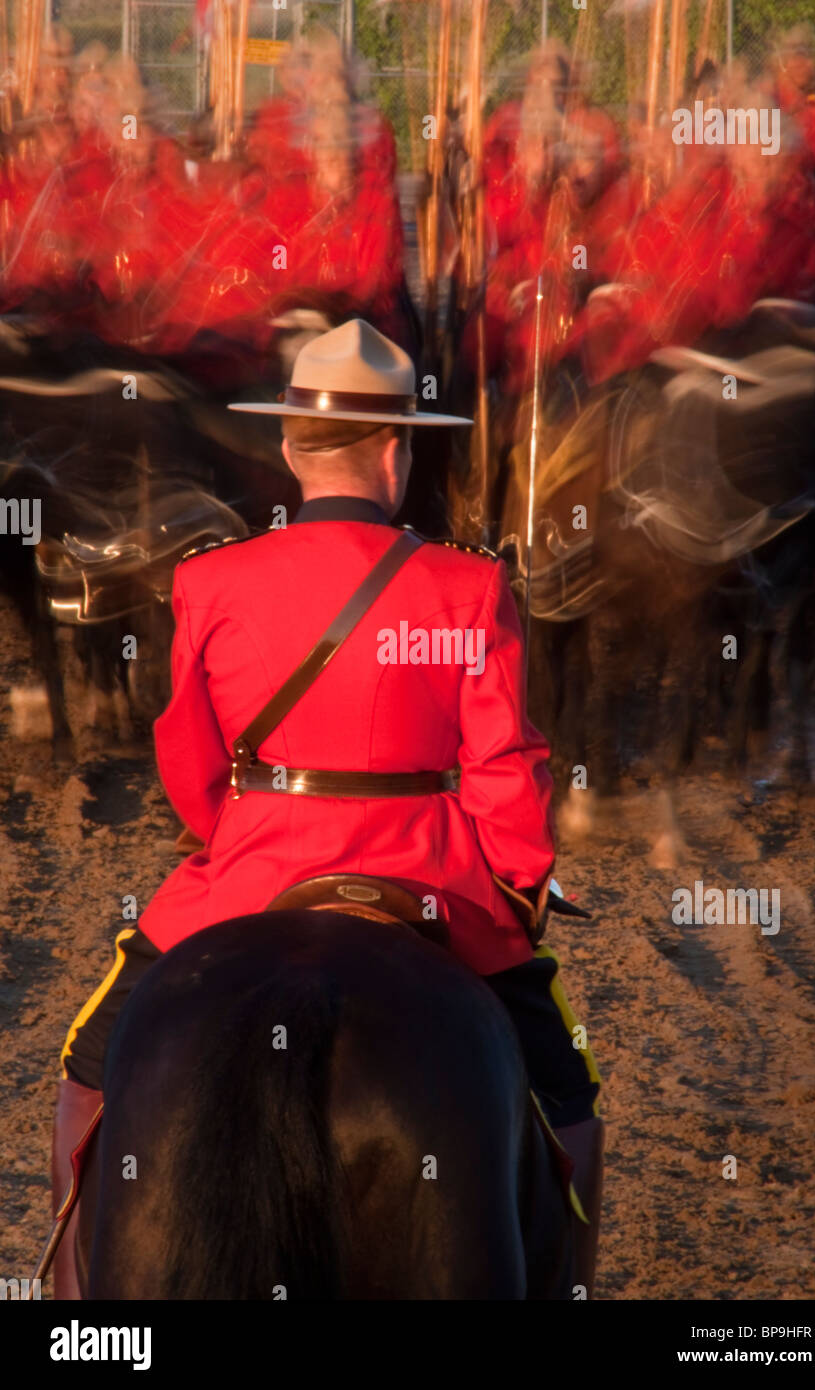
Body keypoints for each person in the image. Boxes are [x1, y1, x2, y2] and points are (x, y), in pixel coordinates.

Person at [50, 319, 602, 1298]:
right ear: (396, 449)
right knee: (565, 1096)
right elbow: (506, 771)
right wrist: (515, 886)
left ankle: (70, 1277)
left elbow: (187, 759)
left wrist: (240, 835)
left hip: (252, 877)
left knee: (89, 1071)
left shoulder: (208, 581)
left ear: (291, 446)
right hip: (432, 888)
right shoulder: (467, 590)